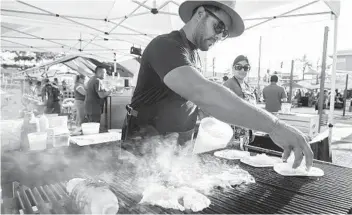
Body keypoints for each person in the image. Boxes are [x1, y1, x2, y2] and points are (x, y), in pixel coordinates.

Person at [122, 0, 313, 170]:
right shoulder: (165, 45)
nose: (219, 37)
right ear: (200, 14)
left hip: (174, 153)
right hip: (144, 153)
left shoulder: (194, 54)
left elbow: (187, 100)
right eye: (219, 27)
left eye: (225, 33)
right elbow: (202, 92)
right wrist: (275, 126)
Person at [223, 55, 256, 142]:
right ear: (233, 68)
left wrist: (252, 131)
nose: (242, 70)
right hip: (232, 134)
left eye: (246, 68)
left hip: (246, 131)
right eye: (238, 67)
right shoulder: (227, 85)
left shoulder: (248, 86)